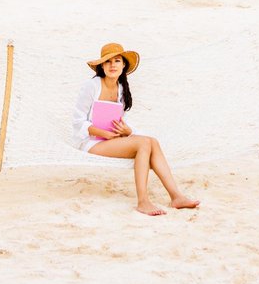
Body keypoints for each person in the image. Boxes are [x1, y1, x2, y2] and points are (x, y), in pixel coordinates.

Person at [72, 40, 200, 217]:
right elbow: (78, 122)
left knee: (152, 142)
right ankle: (143, 201)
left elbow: (117, 120)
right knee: (143, 144)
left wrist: (126, 131)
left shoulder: (121, 88)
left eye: (117, 60)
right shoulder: (91, 86)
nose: (112, 65)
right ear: (101, 66)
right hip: (91, 142)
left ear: (123, 65)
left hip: (112, 140)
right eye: (108, 61)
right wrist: (104, 134)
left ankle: (176, 196)